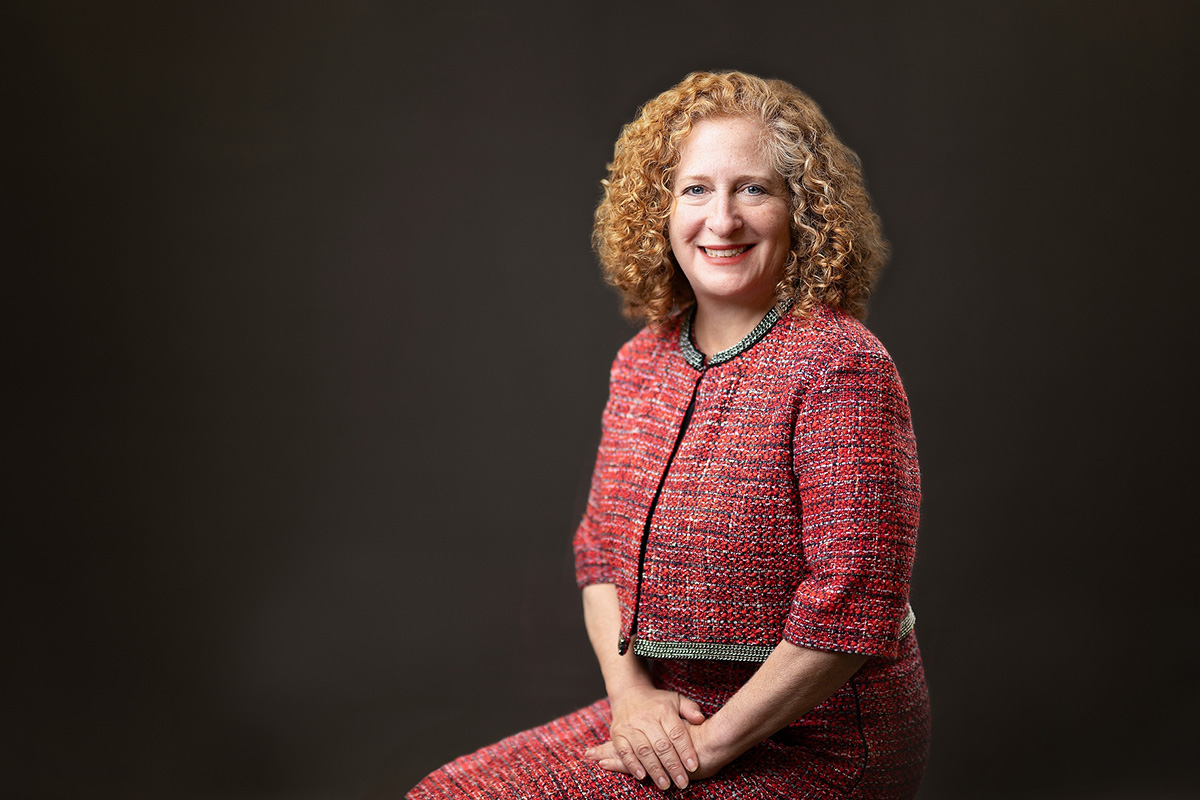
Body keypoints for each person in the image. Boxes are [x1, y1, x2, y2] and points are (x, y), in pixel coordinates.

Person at [408, 70, 930, 800]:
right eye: (695, 190)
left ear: (803, 211)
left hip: (819, 741)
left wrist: (706, 748)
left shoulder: (840, 365)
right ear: (657, 210)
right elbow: (598, 559)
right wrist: (630, 701)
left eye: (754, 188)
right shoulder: (642, 363)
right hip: (666, 711)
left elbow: (854, 602)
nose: (722, 220)